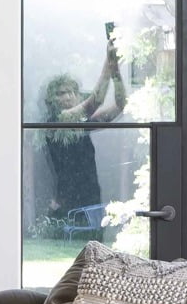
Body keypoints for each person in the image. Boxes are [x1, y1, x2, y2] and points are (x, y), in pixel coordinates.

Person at [38, 32, 125, 224]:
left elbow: (119, 105)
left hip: (89, 196)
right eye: (62, 93)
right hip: (68, 202)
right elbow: (93, 102)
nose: (68, 97)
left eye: (72, 92)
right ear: (51, 100)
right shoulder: (54, 122)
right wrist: (109, 61)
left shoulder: (78, 123)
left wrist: (117, 73)